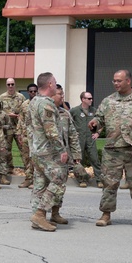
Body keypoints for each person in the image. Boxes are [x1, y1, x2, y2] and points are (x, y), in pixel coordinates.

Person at [90, 69, 132, 229]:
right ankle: (106, 214)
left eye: (119, 81)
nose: (115, 83)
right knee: (109, 183)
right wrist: (95, 123)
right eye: (114, 80)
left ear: (128, 81)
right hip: (113, 149)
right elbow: (99, 118)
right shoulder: (108, 101)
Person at [27, 73, 66, 232]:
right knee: (59, 178)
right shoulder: (46, 104)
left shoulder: (33, 102)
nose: (56, 85)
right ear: (50, 84)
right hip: (47, 151)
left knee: (41, 183)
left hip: (36, 150)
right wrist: (62, 150)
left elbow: (29, 127)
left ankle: (37, 217)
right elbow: (51, 131)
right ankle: (40, 214)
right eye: (55, 83)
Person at [48, 85, 82, 226]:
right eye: (59, 94)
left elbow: (73, 135)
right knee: (44, 186)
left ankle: (55, 213)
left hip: (63, 157)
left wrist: (76, 154)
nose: (62, 97)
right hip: (47, 156)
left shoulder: (65, 114)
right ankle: (40, 213)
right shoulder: (46, 113)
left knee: (60, 186)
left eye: (62, 94)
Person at [70, 91, 104, 188]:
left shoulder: (94, 111)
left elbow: (102, 122)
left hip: (90, 139)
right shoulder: (75, 111)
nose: (91, 100)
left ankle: (99, 180)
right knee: (79, 160)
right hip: (79, 139)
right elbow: (68, 122)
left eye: (91, 98)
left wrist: (98, 133)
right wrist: (72, 133)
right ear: (83, 99)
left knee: (95, 159)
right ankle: (82, 180)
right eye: (89, 98)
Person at [0, 78, 25, 184]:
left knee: (23, 148)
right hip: (7, 127)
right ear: (6, 85)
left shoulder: (21, 97)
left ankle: (28, 171)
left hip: (18, 127)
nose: (10, 86)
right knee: (6, 150)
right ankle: (7, 170)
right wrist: (9, 115)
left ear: (15, 85)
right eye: (8, 84)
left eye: (12, 84)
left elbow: (24, 110)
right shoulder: (2, 97)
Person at [15, 83, 38, 188]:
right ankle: (28, 179)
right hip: (25, 135)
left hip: (37, 136)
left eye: (34, 91)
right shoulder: (24, 104)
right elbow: (21, 119)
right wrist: (19, 133)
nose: (33, 93)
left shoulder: (39, 104)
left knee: (35, 159)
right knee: (26, 158)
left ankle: (36, 180)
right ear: (28, 92)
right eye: (31, 91)